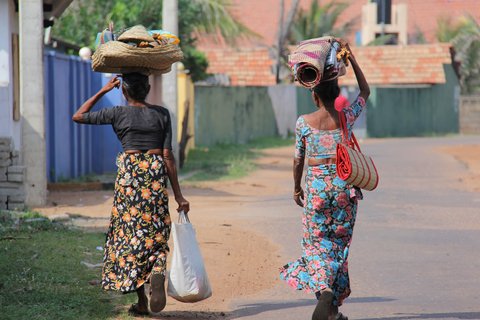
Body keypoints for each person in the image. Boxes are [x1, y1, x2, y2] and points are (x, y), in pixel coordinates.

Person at [73, 73, 190, 316]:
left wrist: (104, 90)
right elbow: (168, 156)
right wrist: (179, 196)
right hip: (155, 173)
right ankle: (157, 270)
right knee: (156, 230)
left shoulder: (117, 113)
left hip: (130, 175)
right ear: (147, 88)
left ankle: (142, 302)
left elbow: (79, 115)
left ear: (124, 91)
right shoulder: (161, 113)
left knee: (131, 235)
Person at [280, 40, 370, 320]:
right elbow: (365, 91)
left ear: (314, 95)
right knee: (338, 248)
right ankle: (332, 311)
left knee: (316, 245)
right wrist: (352, 59)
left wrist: (297, 187)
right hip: (344, 191)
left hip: (317, 192)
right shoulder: (345, 118)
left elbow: (298, 159)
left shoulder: (303, 123)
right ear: (337, 93)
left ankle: (324, 292)